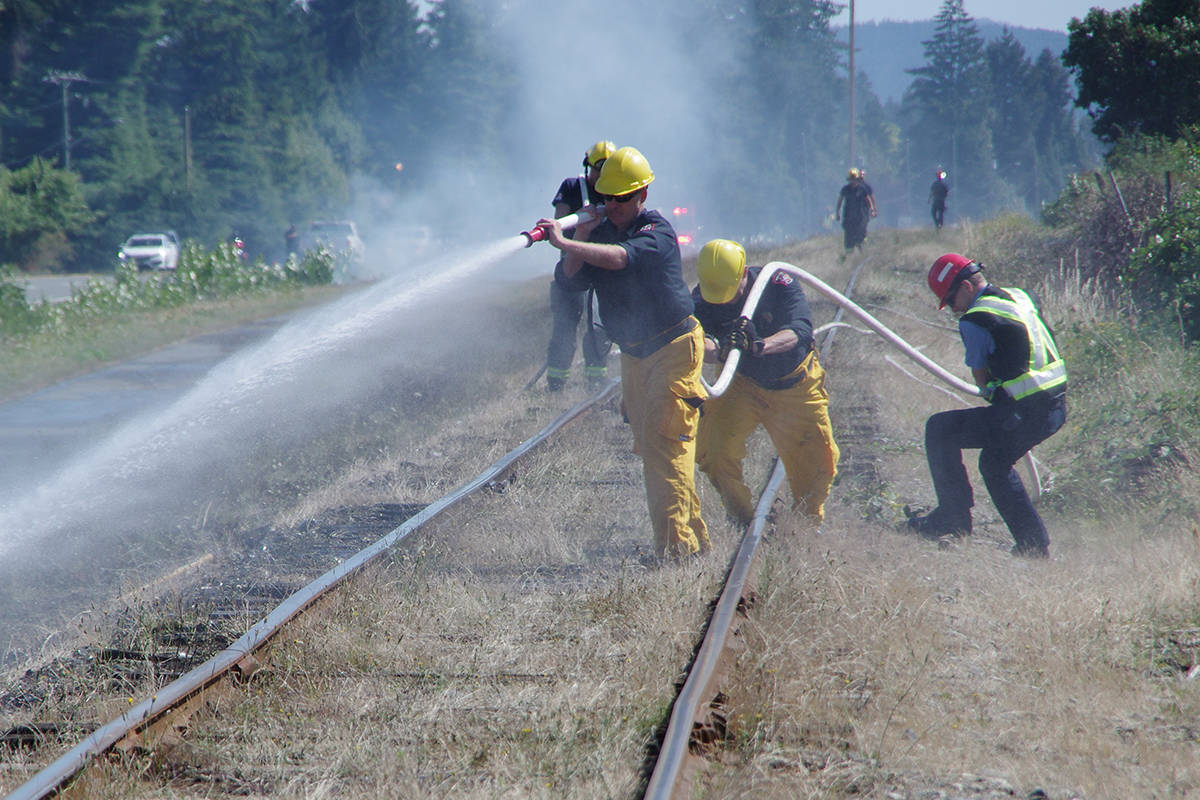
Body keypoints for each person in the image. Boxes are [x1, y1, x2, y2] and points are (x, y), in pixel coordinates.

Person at [537, 146, 709, 559]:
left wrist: (566, 241)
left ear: (642, 196)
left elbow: (618, 259)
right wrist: (577, 235)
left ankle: (675, 553)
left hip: (673, 347)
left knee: (668, 446)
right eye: (607, 198)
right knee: (654, 448)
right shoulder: (597, 234)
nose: (613, 206)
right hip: (634, 354)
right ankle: (694, 541)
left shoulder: (657, 232)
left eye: (622, 198)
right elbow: (569, 281)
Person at [907, 253, 1068, 558]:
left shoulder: (975, 318)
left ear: (966, 286)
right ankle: (1030, 544)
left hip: (1026, 411)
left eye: (951, 300)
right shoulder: (1020, 295)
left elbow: (981, 379)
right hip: (1055, 405)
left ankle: (956, 521)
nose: (953, 309)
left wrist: (994, 386)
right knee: (994, 461)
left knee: (942, 431)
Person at [692, 239, 840, 527]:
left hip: (795, 386)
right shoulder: (703, 297)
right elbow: (700, 343)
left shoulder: (777, 283)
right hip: (742, 386)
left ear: (744, 273)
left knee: (819, 464)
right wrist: (721, 347)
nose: (724, 301)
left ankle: (804, 528)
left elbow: (799, 331)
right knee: (714, 452)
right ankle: (744, 520)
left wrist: (758, 346)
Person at [544, 141, 615, 391]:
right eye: (598, 170)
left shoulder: (616, 191)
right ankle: (556, 385)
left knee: (599, 327)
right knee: (565, 326)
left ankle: (595, 383)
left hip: (603, 267)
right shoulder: (573, 187)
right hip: (572, 270)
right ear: (587, 167)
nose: (602, 178)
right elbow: (558, 230)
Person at [834, 168, 877, 251]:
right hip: (848, 217)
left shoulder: (862, 189)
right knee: (849, 238)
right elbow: (840, 201)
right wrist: (838, 213)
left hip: (860, 217)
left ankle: (861, 249)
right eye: (851, 180)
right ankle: (849, 253)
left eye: (854, 179)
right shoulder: (845, 189)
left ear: (857, 179)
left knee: (860, 235)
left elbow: (868, 199)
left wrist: (872, 210)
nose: (853, 181)